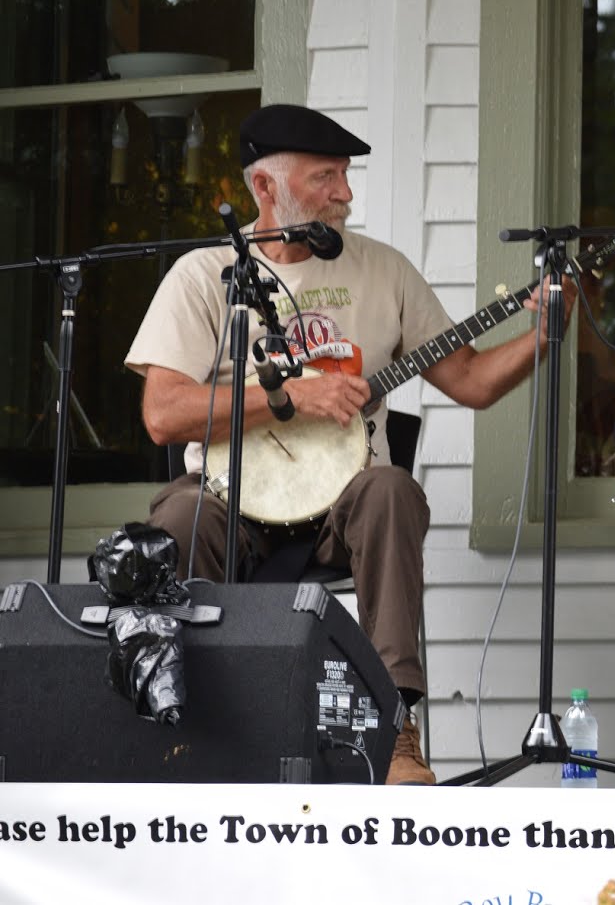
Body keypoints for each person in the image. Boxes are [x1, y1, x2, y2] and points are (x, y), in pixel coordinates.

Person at [125, 103, 568, 786]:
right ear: (265, 189)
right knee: (179, 517)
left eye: (346, 175)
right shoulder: (204, 273)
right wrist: (288, 396)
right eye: (326, 176)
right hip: (229, 500)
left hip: (344, 508)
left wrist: (543, 334)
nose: (345, 193)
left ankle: (396, 729)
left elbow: (472, 380)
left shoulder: (382, 271)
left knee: (392, 489)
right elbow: (162, 412)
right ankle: (190, 733)